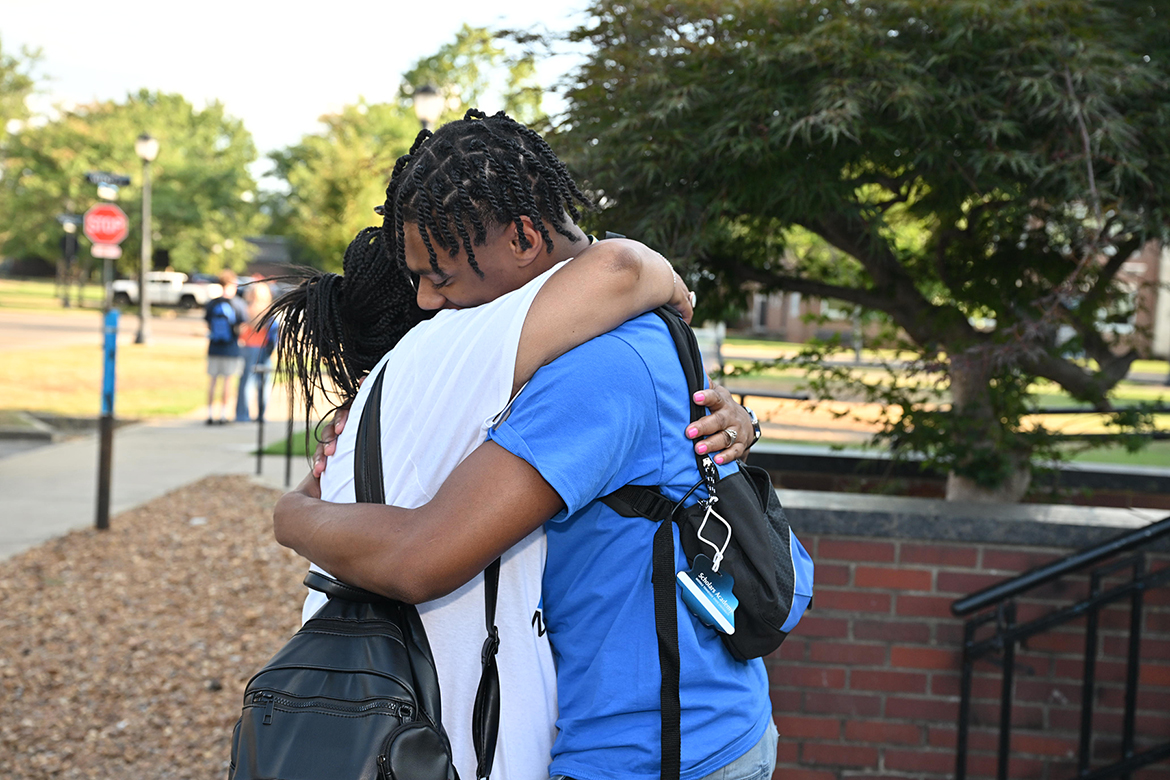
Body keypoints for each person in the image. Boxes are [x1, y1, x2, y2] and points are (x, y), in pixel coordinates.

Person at [274, 111, 802, 780]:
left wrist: (293, 513)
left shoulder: (597, 366)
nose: (430, 301)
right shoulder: (573, 343)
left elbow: (422, 555)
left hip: (649, 750)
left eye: (441, 274)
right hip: (675, 725)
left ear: (524, 237)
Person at [205, 270, 249, 425]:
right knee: (228, 382)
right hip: (231, 348)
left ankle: (210, 414)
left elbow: (208, 324)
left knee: (212, 381)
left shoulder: (212, 303)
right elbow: (243, 326)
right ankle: (223, 415)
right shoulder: (238, 304)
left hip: (214, 347)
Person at [234, 279, 277, 423]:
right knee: (264, 382)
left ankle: (242, 414)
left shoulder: (247, 309)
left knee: (247, 381)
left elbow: (241, 328)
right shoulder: (269, 310)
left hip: (249, 346)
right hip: (264, 347)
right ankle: (261, 414)